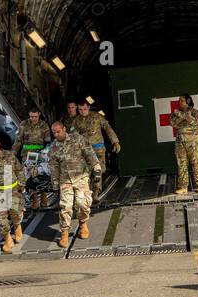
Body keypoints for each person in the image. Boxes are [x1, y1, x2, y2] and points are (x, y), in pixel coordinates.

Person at [48, 120, 101, 248]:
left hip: (81, 177)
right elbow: (53, 167)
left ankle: (83, 223)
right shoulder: (53, 147)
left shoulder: (77, 139)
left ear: (64, 129)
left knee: (82, 203)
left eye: (58, 132)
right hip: (65, 180)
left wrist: (96, 167)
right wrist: (55, 185)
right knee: (65, 207)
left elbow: (89, 152)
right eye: (54, 133)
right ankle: (65, 233)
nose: (56, 135)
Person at [73, 100, 121, 201]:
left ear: (89, 107)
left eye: (85, 109)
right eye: (80, 109)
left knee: (98, 170)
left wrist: (115, 141)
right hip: (84, 151)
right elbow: (73, 136)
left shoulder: (97, 116)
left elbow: (107, 128)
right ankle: (89, 192)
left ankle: (95, 192)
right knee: (86, 172)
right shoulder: (76, 121)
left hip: (98, 148)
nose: (83, 111)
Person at [0, 134, 24, 252]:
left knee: (15, 213)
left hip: (13, 191)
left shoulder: (9, 156)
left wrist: (21, 185)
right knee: (1, 219)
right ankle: (8, 240)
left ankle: (17, 225)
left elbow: (19, 169)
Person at [12, 109, 52, 210]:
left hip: (41, 152)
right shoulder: (23, 124)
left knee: (42, 174)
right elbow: (18, 140)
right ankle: (34, 199)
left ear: (39, 114)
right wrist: (12, 153)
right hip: (28, 154)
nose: (33, 118)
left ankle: (43, 196)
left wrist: (46, 153)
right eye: (31, 117)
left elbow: (47, 141)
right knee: (29, 176)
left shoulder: (44, 125)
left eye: (35, 116)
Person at [169, 95, 198, 195]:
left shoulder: (195, 112)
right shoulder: (175, 113)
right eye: (179, 100)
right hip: (180, 142)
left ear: (188, 101)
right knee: (182, 165)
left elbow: (195, 123)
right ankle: (183, 187)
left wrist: (182, 116)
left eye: (182, 100)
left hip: (193, 143)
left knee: (197, 163)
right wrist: (184, 117)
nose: (179, 102)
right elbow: (173, 124)